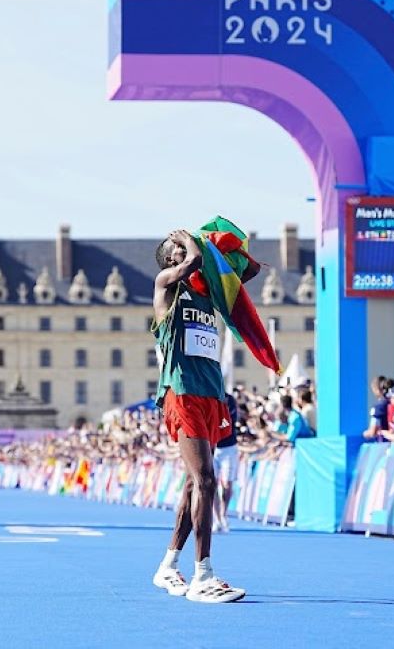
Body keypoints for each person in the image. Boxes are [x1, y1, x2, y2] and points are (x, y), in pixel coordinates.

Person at [149, 229, 245, 603]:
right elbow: (191, 261)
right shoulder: (166, 288)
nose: (185, 250)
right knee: (206, 480)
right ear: (170, 259)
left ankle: (168, 566)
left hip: (210, 393)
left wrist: (229, 254)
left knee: (194, 484)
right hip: (183, 391)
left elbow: (237, 279)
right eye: (176, 248)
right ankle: (203, 574)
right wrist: (192, 243)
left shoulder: (205, 294)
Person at [212, 392, 239, 534]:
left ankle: (224, 513)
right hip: (212, 448)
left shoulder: (230, 400)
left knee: (227, 485)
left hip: (229, 447)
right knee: (212, 485)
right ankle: (217, 519)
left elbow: (228, 422)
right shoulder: (207, 397)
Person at [363, 376, 394, 441]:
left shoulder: (378, 407)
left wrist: (365, 434)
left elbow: (372, 432)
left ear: (377, 390)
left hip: (384, 443)